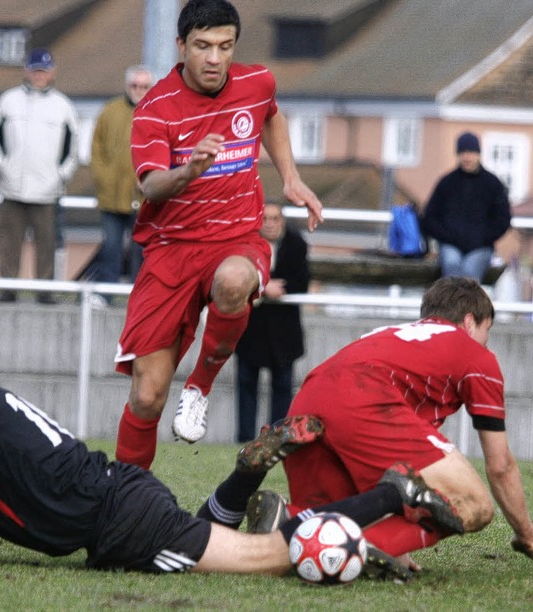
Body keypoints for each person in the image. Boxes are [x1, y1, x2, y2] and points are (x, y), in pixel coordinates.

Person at [0, 325, 423, 581]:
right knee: (226, 541)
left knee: (264, 560)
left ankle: (386, 496)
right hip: (122, 502)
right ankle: (243, 482)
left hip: (122, 521)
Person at [114, 0, 323, 470]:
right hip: (170, 251)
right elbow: (150, 184)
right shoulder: (155, 109)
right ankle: (126, 503)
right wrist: (188, 170)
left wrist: (289, 176)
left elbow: (271, 114)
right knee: (146, 397)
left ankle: (199, 389)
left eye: (225, 46)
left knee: (234, 281)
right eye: (203, 46)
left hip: (236, 238)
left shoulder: (256, 82)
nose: (214, 58)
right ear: (181, 46)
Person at [218, 277, 533, 565]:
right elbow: (500, 464)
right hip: (363, 400)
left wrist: (400, 547)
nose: (486, 342)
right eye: (486, 330)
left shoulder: (392, 334)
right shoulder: (474, 353)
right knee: (471, 504)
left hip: (309, 401)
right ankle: (345, 546)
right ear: (469, 321)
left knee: (343, 518)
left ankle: (291, 519)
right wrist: (527, 535)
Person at [0, 48, 79, 305]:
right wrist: (2, 166)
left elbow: (72, 147)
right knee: (8, 243)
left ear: (52, 73)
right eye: (35, 70)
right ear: (27, 71)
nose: (39, 75)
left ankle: (45, 292)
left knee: (47, 244)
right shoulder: (8, 100)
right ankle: (7, 289)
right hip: (11, 186)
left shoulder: (63, 106)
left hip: (48, 189)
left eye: (44, 70)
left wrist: (61, 176)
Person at [234, 202, 309, 442]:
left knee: (283, 388)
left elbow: (301, 283)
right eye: (265, 218)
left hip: (283, 333)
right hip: (250, 330)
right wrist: (263, 288)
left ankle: (277, 441)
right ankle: (244, 440)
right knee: (246, 386)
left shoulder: (296, 245)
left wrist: (272, 288)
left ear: (282, 221)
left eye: (275, 218)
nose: (270, 223)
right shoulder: (245, 244)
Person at [89, 65, 154, 298]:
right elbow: (97, 149)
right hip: (112, 196)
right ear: (127, 86)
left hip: (145, 197)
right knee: (111, 248)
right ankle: (106, 295)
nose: (139, 90)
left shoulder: (159, 112)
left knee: (142, 251)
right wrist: (103, 179)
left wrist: (152, 178)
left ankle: (139, 298)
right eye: (135, 85)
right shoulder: (110, 111)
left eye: (145, 86)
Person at [422, 132, 511, 282]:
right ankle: (451, 304)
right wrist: (447, 236)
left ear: (478, 154)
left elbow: (503, 219)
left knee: (471, 273)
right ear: (458, 155)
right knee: (452, 268)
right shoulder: (447, 183)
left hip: (481, 246)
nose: (467, 157)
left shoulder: (492, 184)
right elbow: (429, 217)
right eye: (463, 152)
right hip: (450, 245)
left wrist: (483, 237)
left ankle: (465, 305)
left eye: (471, 152)